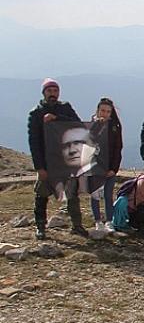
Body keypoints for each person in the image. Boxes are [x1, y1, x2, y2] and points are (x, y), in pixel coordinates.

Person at [28, 78, 84, 239]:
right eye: (49, 91)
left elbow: (78, 125)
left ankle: (77, 225)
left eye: (55, 91)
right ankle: (40, 226)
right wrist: (39, 167)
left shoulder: (65, 108)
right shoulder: (35, 113)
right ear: (43, 92)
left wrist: (57, 118)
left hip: (65, 160)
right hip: (46, 161)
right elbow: (34, 141)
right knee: (42, 194)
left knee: (72, 194)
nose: (53, 94)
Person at [89, 98, 123, 233]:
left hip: (109, 167)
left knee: (108, 195)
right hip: (94, 167)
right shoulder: (90, 126)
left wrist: (114, 169)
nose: (105, 114)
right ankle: (98, 221)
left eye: (108, 111)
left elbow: (118, 148)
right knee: (95, 195)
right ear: (97, 111)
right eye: (102, 110)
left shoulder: (115, 127)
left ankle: (109, 221)